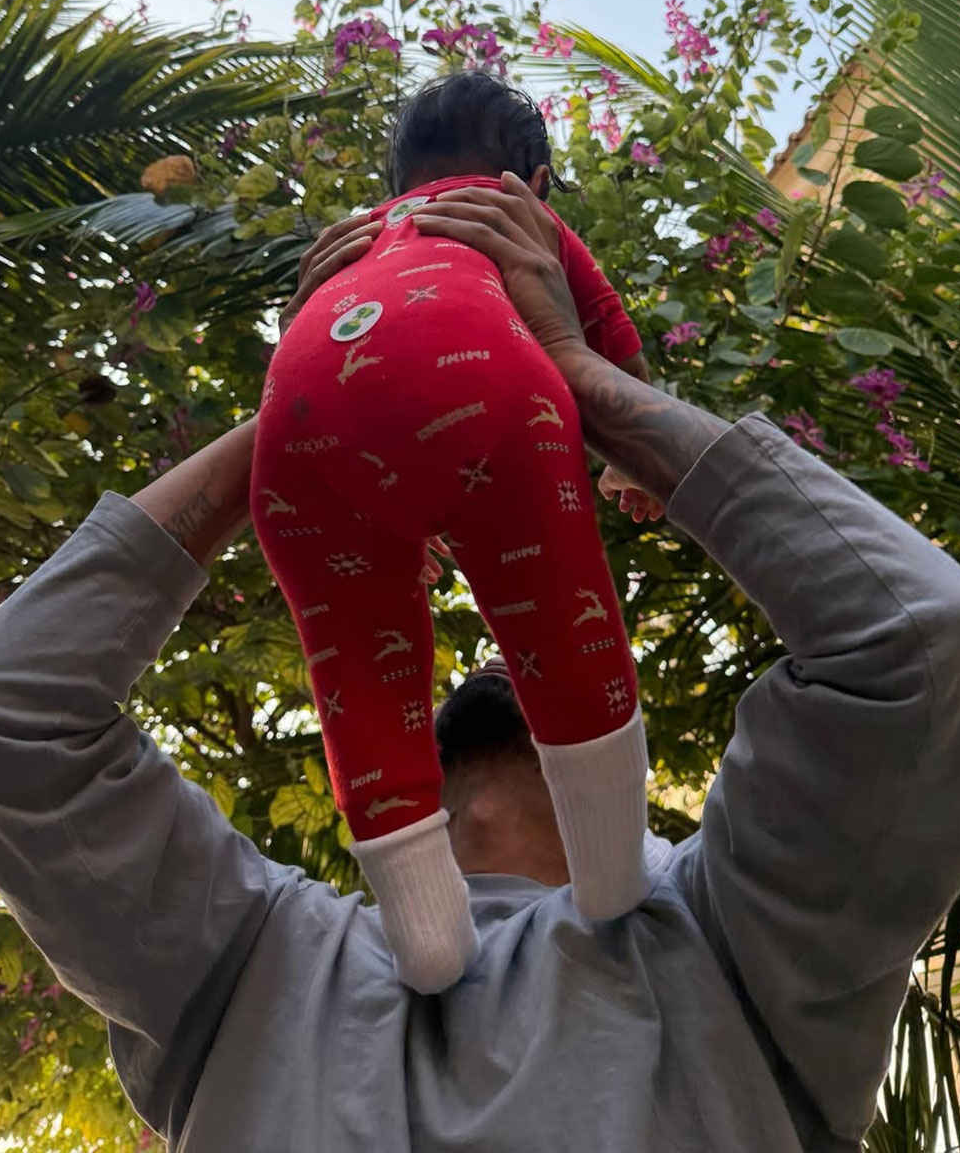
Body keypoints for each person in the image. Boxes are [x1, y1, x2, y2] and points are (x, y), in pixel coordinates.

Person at [0, 173, 960, 1151]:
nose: (485, 658)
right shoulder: (244, 962)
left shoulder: (736, 944)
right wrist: (310, 393)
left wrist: (571, 369)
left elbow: (923, 644)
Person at [252, 72, 661, 992]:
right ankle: (609, 877)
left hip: (299, 422)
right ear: (539, 178)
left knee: (358, 668)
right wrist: (629, 461)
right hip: (482, 388)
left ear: (396, 178)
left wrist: (384, 490)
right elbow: (611, 336)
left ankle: (426, 938)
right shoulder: (516, 216)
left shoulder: (357, 242)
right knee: (559, 621)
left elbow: (357, 364)